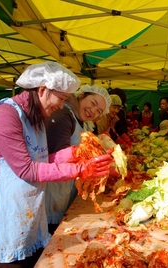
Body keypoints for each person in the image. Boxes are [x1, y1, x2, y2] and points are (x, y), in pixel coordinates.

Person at [0, 62, 114, 267]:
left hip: (27, 212)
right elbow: (27, 169)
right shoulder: (5, 115)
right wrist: (81, 169)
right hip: (0, 218)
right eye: (62, 98)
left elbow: (42, 161)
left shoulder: (35, 118)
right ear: (42, 90)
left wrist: (76, 153)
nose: (61, 105)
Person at [45, 84, 111, 234]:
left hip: (66, 187)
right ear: (81, 95)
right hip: (53, 190)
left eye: (98, 111)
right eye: (93, 103)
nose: (93, 111)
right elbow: (56, 158)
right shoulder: (63, 116)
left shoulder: (80, 120)